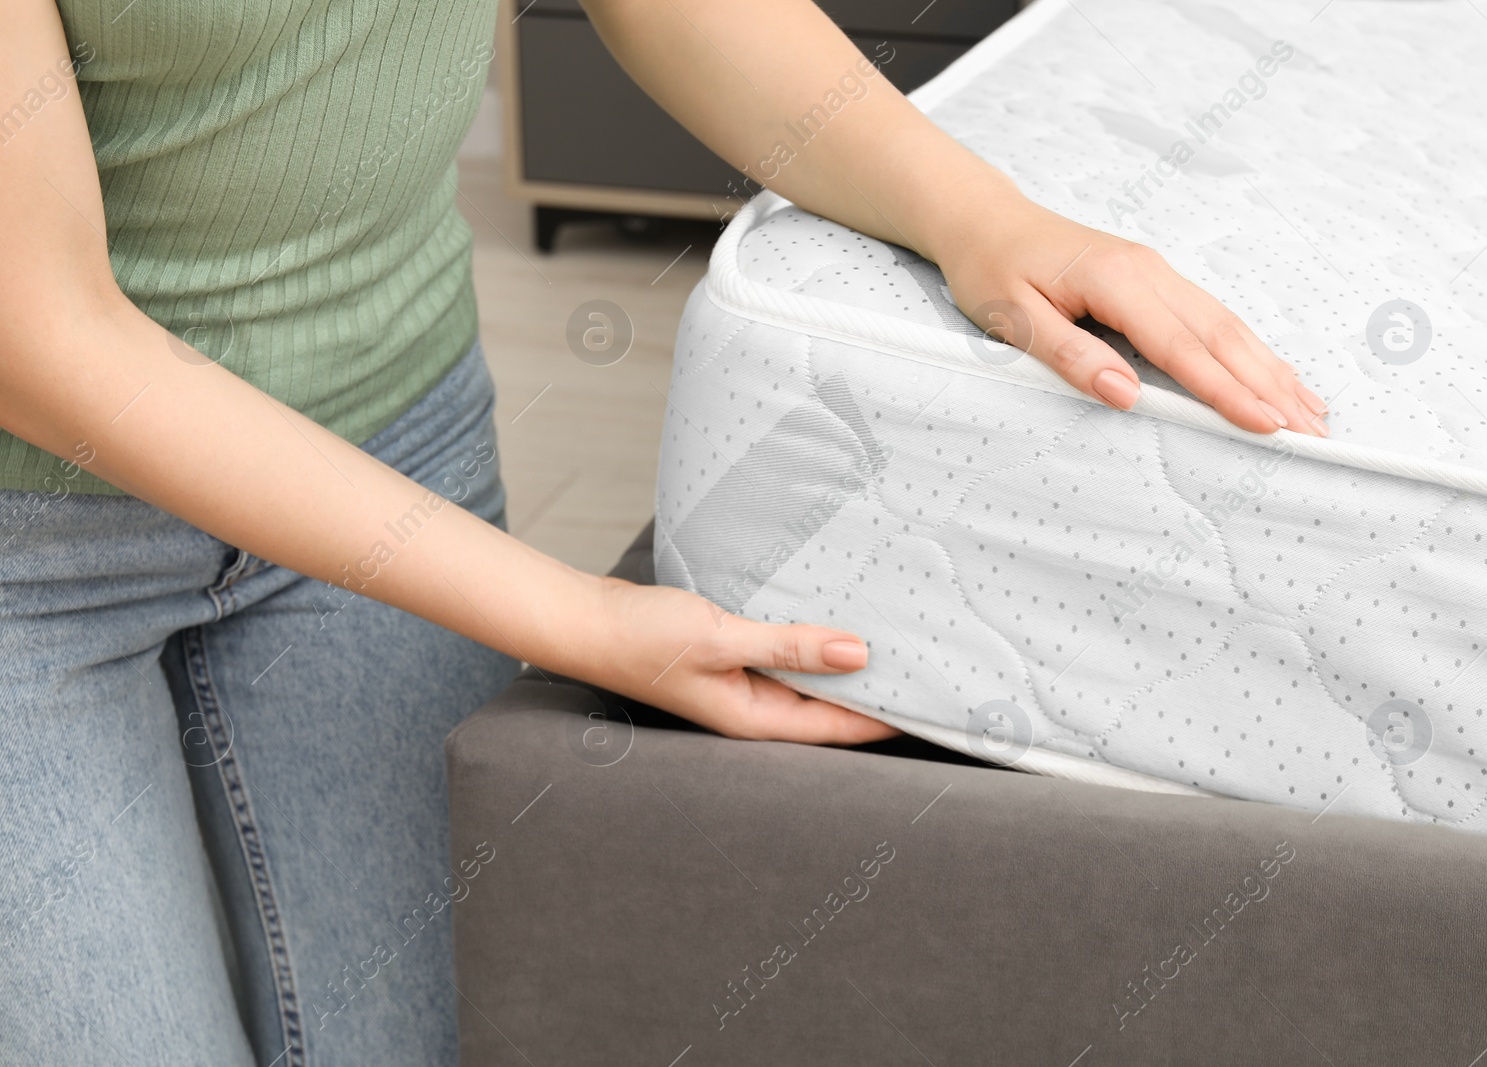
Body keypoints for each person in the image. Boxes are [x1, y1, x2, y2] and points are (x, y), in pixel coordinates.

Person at [0, 0, 1329, 1063]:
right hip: (27, 554)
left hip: (383, 425)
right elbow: (47, 341)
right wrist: (577, 617)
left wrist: (984, 222)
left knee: (445, 1033)